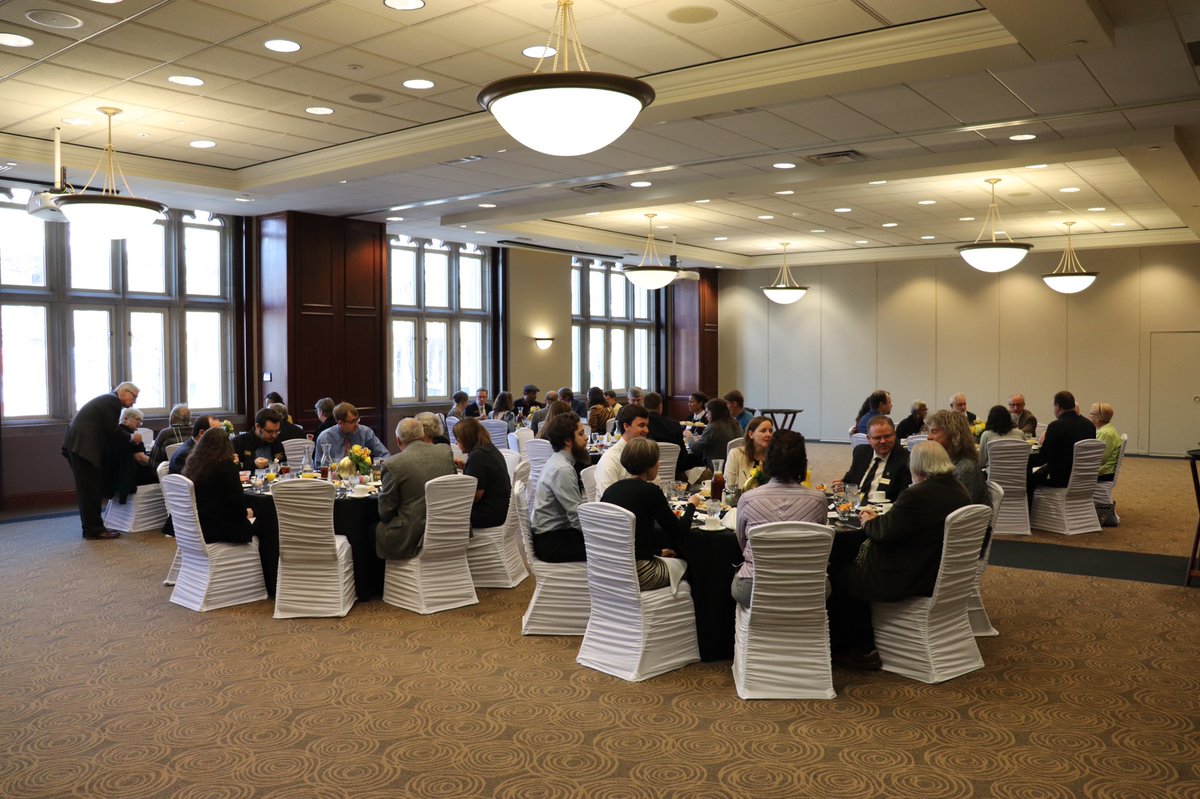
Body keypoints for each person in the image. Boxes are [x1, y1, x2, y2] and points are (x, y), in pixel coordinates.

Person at [828, 442, 971, 668]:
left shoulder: (917, 495)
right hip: (940, 571)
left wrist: (869, 520)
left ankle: (859, 649)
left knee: (841, 575)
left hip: (909, 575)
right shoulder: (960, 490)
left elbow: (883, 533)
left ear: (917, 465)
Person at [731, 430, 827, 609]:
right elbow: (821, 541)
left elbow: (742, 542)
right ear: (803, 463)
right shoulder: (818, 500)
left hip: (754, 587)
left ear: (767, 461)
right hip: (809, 587)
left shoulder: (748, 499)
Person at [601, 437, 702, 591]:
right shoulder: (650, 491)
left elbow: (628, 537)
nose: (659, 464)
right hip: (640, 573)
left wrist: (657, 552)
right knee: (693, 568)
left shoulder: (611, 490)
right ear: (648, 465)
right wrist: (691, 505)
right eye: (656, 461)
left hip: (610, 570)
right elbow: (680, 532)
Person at [62, 382, 139, 540]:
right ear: (124, 392)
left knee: (88, 489)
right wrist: (132, 437)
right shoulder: (113, 401)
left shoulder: (108, 400)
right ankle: (94, 530)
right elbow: (113, 430)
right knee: (90, 490)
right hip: (83, 447)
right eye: (134, 397)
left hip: (78, 445)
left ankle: (91, 528)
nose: (134, 402)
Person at [376, 417, 456, 560]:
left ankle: (378, 575)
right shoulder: (445, 451)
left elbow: (385, 511)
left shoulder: (393, 464)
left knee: (373, 529)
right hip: (449, 527)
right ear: (422, 435)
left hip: (413, 535)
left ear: (398, 440)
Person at [181, 429, 256, 545]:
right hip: (218, 528)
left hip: (194, 526)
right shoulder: (227, 467)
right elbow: (238, 506)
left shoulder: (193, 464)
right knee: (264, 521)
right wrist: (247, 512)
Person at [531, 413, 589, 562]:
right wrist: (600, 534)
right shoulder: (563, 469)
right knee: (609, 547)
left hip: (555, 534)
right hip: (552, 542)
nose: (586, 438)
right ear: (567, 441)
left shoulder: (558, 460)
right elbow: (576, 517)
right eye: (581, 434)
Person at [1028, 390, 1096, 501]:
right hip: (1085, 478)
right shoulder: (1089, 425)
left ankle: (1028, 511)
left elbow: (1042, 458)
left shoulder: (1056, 426)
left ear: (1058, 407)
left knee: (1028, 478)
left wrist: (1023, 460)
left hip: (1061, 479)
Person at [835, 416, 911, 503]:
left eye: (887, 436)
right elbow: (849, 481)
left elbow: (904, 498)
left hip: (882, 508)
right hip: (854, 503)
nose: (883, 441)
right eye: (877, 438)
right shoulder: (861, 452)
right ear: (869, 439)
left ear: (894, 435)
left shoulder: (905, 459)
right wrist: (842, 486)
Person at [453, 418, 512, 531]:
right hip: (501, 507)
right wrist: (465, 467)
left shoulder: (477, 456)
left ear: (466, 439)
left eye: (458, 440)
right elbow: (486, 474)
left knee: (448, 514)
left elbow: (476, 495)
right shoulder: (488, 448)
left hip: (490, 513)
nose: (457, 443)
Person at [927, 409, 987, 506]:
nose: (928, 437)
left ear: (953, 435)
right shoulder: (950, 461)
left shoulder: (966, 468)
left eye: (934, 432)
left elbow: (959, 507)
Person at [103, 407, 158, 506]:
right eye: (137, 419)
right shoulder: (134, 437)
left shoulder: (112, 434)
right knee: (160, 473)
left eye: (141, 421)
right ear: (126, 418)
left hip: (110, 477)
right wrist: (158, 464)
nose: (140, 423)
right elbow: (140, 458)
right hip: (129, 477)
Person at [594, 404, 651, 497]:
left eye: (647, 425)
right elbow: (609, 497)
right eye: (641, 425)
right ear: (626, 426)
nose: (647, 430)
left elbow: (655, 484)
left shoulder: (645, 453)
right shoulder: (610, 458)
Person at [314, 402, 390, 462]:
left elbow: (385, 455)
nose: (357, 425)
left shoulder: (365, 432)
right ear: (340, 423)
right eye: (352, 422)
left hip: (361, 476)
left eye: (357, 420)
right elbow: (318, 467)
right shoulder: (325, 438)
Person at [685, 398, 741, 471]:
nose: (706, 416)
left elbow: (695, 449)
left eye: (707, 412)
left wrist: (689, 437)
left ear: (714, 413)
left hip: (715, 469)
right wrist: (701, 438)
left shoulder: (713, 428)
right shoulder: (736, 424)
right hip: (733, 468)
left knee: (681, 474)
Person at [725, 416, 773, 495]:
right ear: (751, 434)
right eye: (763, 431)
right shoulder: (735, 454)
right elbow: (729, 487)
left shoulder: (774, 458)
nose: (768, 434)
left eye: (770, 431)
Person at [979, 404, 1025, 468]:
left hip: (994, 473)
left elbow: (981, 463)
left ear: (990, 419)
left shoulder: (986, 435)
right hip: (1018, 472)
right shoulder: (1020, 434)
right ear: (1008, 418)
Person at [1089, 402, 1121, 481]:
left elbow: (1099, 458)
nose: (1089, 416)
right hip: (1104, 470)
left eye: (1091, 414)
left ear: (1099, 417)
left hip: (1104, 473)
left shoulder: (1105, 433)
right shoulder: (1106, 429)